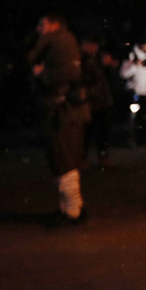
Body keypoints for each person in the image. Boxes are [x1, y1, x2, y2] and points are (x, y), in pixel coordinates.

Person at [27, 13, 90, 226]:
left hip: (65, 112)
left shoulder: (62, 41)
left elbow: (69, 73)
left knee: (65, 158)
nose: (39, 29)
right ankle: (69, 208)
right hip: (60, 111)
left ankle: (74, 211)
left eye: (42, 24)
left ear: (54, 25)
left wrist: (41, 73)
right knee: (60, 158)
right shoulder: (57, 42)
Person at [119, 35, 146, 146]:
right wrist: (135, 66)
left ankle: (143, 138)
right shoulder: (132, 55)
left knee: (145, 116)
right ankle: (131, 138)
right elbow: (123, 74)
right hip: (135, 92)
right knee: (133, 117)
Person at [80, 32, 116, 168]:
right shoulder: (80, 58)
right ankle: (82, 158)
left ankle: (103, 155)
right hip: (89, 99)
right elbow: (84, 77)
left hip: (103, 98)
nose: (93, 47)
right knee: (86, 131)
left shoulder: (100, 56)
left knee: (103, 129)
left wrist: (109, 65)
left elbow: (108, 76)